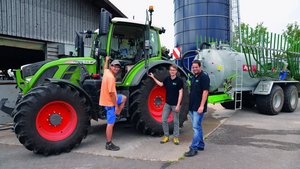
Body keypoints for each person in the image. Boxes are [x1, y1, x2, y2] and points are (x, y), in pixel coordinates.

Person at [148, 64, 183, 145]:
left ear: (176, 71)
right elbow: (160, 84)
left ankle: (176, 137)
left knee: (176, 121)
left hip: (175, 105)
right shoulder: (167, 79)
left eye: (173, 70)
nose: (172, 72)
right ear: (169, 71)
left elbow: (181, 93)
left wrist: (178, 105)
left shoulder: (179, 81)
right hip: (167, 104)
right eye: (171, 70)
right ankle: (166, 136)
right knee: (163, 120)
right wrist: (153, 77)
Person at [99, 56, 127, 151]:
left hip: (109, 98)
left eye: (117, 67)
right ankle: (109, 144)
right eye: (114, 66)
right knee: (110, 124)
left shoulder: (107, 72)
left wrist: (106, 60)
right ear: (111, 67)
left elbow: (104, 68)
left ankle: (118, 113)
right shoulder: (111, 78)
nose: (116, 68)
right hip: (110, 102)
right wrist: (116, 106)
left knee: (124, 98)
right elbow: (111, 94)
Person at [184, 60, 210, 157]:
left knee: (195, 128)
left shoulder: (204, 77)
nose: (194, 69)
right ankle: (201, 145)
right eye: (193, 67)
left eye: (196, 67)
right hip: (192, 106)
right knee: (198, 127)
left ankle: (193, 148)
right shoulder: (194, 77)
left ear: (200, 67)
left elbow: (205, 92)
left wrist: (202, 106)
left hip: (198, 107)